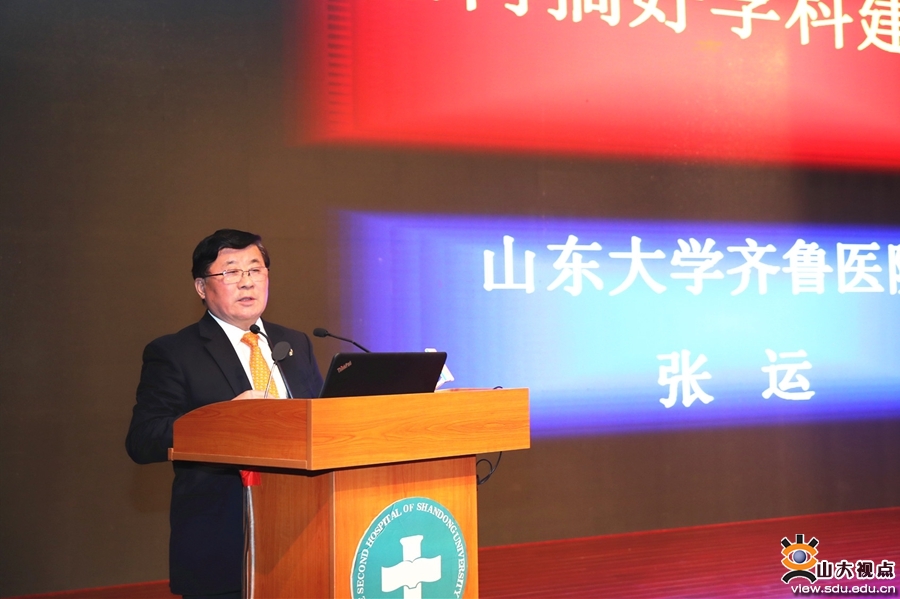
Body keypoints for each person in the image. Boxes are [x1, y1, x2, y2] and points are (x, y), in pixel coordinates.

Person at [126, 229, 323, 599]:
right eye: (231, 271)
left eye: (256, 269)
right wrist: (224, 422)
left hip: (305, 537)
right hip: (224, 544)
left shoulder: (294, 343)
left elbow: (322, 422)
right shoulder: (174, 352)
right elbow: (143, 438)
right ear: (201, 287)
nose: (247, 281)